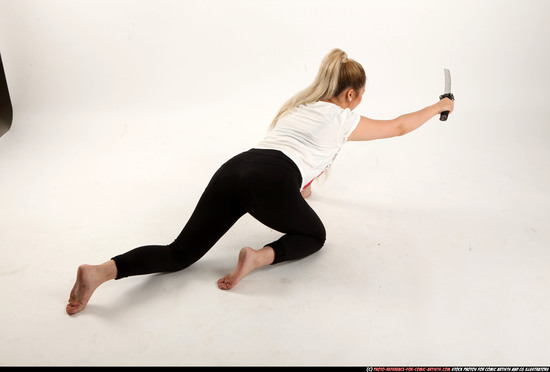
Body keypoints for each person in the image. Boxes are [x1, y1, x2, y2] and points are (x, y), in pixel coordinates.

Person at [66, 48, 454, 315]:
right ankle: (257, 257)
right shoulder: (344, 117)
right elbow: (400, 126)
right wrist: (440, 105)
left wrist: (299, 188)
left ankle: (99, 271)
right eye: (361, 96)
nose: (360, 103)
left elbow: (294, 154)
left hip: (237, 167)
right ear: (350, 94)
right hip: (270, 180)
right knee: (315, 237)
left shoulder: (300, 108)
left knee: (179, 253)